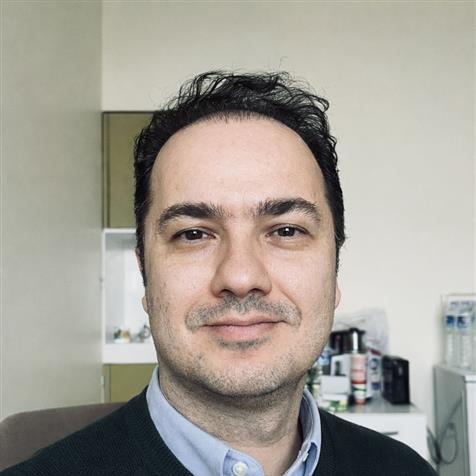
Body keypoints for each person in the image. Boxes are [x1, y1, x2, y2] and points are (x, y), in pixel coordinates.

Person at [2, 71, 436, 475]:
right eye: (193, 234)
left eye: (286, 230)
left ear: (334, 268)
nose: (241, 277)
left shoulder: (406, 470)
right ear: (145, 275)